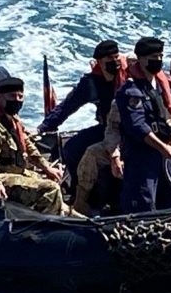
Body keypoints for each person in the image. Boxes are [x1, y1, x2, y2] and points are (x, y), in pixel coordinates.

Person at [0, 76, 69, 216]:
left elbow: (27, 145)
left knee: (51, 181)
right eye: (12, 96)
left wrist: (46, 167)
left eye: (20, 96)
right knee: (50, 189)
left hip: (14, 171)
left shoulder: (12, 119)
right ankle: (47, 227)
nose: (16, 100)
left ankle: (75, 217)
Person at [115, 36, 171, 213]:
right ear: (141, 59)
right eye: (152, 57)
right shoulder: (131, 91)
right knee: (144, 201)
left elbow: (165, 117)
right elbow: (138, 127)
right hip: (143, 155)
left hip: (165, 153)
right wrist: (163, 148)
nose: (157, 61)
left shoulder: (160, 86)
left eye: (160, 56)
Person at [37, 40, 127, 187]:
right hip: (106, 128)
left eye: (116, 57)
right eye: (109, 59)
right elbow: (67, 106)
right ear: (99, 61)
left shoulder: (130, 77)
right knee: (71, 148)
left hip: (131, 129)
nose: (115, 61)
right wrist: (43, 127)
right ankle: (79, 191)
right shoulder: (92, 83)